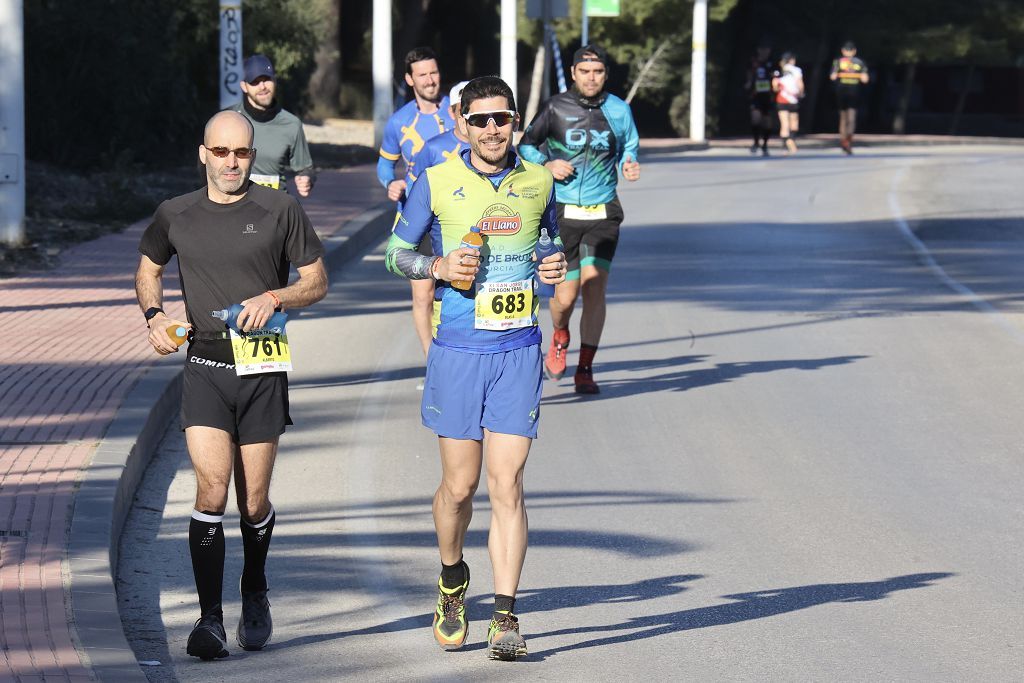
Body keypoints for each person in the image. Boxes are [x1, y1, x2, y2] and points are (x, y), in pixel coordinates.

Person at [384, 76, 567, 661]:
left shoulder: (537, 179)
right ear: (461, 123)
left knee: (507, 482)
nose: (493, 129)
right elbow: (394, 253)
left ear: (515, 121)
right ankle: (451, 579)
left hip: (517, 350)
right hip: (459, 352)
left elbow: (547, 244)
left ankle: (506, 615)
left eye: (503, 118)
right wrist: (438, 265)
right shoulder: (436, 180)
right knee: (459, 487)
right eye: (481, 119)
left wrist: (551, 265)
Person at [135, 110, 328, 660]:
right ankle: (209, 621)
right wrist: (154, 315)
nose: (230, 163)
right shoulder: (176, 214)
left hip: (262, 370)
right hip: (206, 369)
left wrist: (277, 297)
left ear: (253, 155)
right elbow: (148, 266)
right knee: (211, 490)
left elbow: (316, 280)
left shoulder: (279, 208)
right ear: (203, 154)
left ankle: (255, 592)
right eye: (220, 153)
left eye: (240, 153)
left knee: (255, 500)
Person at [518, 44, 640, 394]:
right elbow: (527, 144)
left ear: (605, 74)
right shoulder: (556, 106)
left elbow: (629, 145)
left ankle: (585, 367)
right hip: (563, 214)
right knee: (565, 297)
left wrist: (628, 163)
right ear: (574, 73)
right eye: (585, 72)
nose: (591, 78)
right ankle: (559, 335)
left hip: (603, 211)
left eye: (598, 72)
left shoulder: (619, 110)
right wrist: (547, 164)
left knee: (594, 284)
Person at [378, 47, 456, 359]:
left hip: (455, 213)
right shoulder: (399, 122)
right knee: (423, 295)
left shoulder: (456, 110)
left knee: (455, 292)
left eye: (434, 72)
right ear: (410, 79)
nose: (430, 80)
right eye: (422, 75)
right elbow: (384, 165)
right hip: (418, 217)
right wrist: (392, 182)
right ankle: (432, 360)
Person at [228, 54, 316, 196]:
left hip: (275, 210)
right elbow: (208, 163)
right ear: (244, 86)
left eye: (267, 80)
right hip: (237, 208)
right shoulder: (229, 118)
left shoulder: (291, 124)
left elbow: (305, 168)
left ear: (274, 80)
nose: (262, 87)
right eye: (255, 82)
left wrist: (306, 178)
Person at [830, 41, 869, 155]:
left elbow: (865, 79)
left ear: (854, 51)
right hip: (842, 91)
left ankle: (848, 141)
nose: (848, 52)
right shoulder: (838, 62)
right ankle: (843, 141)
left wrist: (860, 76)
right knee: (843, 117)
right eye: (846, 50)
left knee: (851, 118)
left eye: (850, 50)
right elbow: (832, 76)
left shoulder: (859, 62)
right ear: (843, 51)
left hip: (854, 92)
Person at [745, 44, 777, 156]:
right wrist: (749, 84)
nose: (765, 51)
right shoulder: (753, 62)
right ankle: (756, 142)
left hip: (768, 96)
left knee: (767, 122)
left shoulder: (772, 63)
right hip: (755, 95)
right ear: (758, 49)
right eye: (762, 48)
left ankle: (765, 145)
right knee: (755, 118)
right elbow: (749, 75)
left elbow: (777, 76)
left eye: (767, 49)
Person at [773, 52, 804, 155]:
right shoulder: (796, 70)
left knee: (784, 123)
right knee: (794, 123)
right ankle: (791, 141)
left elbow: (775, 86)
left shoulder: (779, 71)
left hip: (782, 99)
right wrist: (801, 93)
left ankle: (785, 145)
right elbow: (800, 84)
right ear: (791, 60)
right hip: (793, 99)